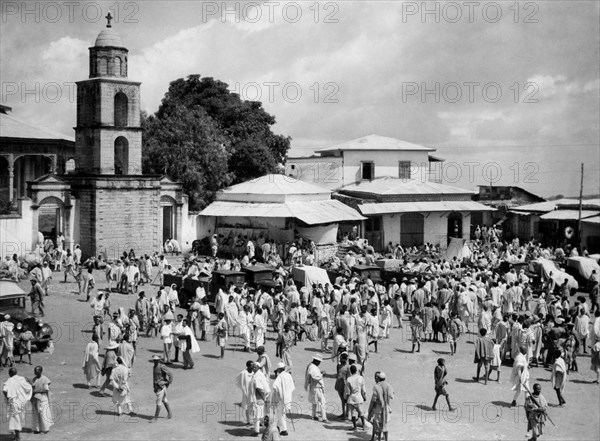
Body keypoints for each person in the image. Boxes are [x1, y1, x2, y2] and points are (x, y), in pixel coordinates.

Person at [2, 367, 33, 440]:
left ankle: (17, 436)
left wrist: (8, 398)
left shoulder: (10, 380)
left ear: (10, 373)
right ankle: (17, 435)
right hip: (21, 402)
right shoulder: (22, 379)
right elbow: (29, 388)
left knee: (15, 418)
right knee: (19, 417)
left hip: (14, 402)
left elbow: (4, 390)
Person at [367, 371, 394, 441]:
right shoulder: (388, 386)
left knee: (377, 425)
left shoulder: (376, 387)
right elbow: (391, 396)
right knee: (385, 425)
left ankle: (377, 439)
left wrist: (370, 410)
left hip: (378, 409)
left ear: (378, 378)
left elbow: (374, 400)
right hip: (386, 408)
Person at [271, 361, 295, 436]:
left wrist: (278, 395)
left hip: (280, 399)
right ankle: (277, 427)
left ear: (278, 370)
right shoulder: (288, 375)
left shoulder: (280, 377)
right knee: (280, 413)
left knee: (281, 414)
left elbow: (274, 386)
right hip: (287, 398)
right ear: (284, 368)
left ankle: (284, 430)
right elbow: (292, 387)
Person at [30, 366, 53, 434]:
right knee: (36, 414)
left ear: (40, 371)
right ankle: (37, 429)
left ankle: (45, 429)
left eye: (36, 371)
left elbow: (46, 390)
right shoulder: (34, 379)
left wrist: (36, 391)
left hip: (42, 399)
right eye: (34, 371)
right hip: (35, 398)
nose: (35, 372)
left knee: (43, 414)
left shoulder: (44, 379)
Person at [304, 354, 328, 422]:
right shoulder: (313, 367)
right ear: (317, 361)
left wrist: (320, 373)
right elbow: (315, 377)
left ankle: (313, 415)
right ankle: (324, 418)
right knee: (322, 402)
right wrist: (322, 375)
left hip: (314, 387)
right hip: (317, 387)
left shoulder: (311, 366)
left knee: (314, 402)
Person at [150, 355, 173, 422]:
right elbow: (154, 377)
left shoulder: (162, 367)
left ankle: (155, 418)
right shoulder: (154, 367)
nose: (155, 361)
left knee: (158, 402)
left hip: (161, 386)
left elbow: (170, 373)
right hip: (158, 386)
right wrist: (154, 386)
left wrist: (169, 382)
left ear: (159, 360)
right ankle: (170, 414)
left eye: (156, 360)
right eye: (154, 360)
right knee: (164, 399)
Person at [345, 364, 367, 431]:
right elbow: (363, 389)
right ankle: (364, 426)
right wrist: (364, 396)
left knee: (353, 413)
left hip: (352, 398)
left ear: (350, 371)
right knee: (361, 413)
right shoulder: (361, 378)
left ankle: (355, 427)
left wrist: (346, 399)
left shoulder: (348, 379)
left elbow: (347, 391)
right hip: (359, 397)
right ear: (356, 370)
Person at [236, 360, 256, 427]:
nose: (253, 366)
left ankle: (253, 421)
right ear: (248, 366)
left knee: (253, 407)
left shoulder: (254, 373)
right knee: (247, 407)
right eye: (252, 365)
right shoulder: (243, 373)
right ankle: (248, 421)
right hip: (246, 393)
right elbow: (240, 382)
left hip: (253, 393)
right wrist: (244, 391)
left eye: (253, 365)